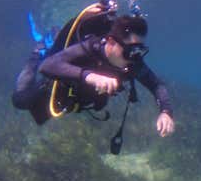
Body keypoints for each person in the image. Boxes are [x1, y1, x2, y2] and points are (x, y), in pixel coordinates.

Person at [12, 9, 175, 140]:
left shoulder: (133, 62)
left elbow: (156, 85)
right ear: (111, 42)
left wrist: (166, 112)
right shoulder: (90, 48)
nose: (135, 57)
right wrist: (90, 76)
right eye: (130, 51)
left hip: (82, 100)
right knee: (20, 101)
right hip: (61, 87)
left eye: (140, 51)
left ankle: (49, 40)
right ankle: (38, 51)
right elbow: (48, 66)